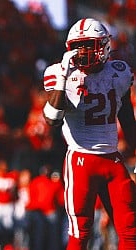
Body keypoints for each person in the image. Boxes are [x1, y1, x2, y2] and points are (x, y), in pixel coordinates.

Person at [42, 18, 136, 249]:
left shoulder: (119, 72)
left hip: (112, 159)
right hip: (81, 161)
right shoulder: (60, 73)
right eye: (78, 45)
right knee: (81, 233)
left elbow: (128, 120)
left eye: (88, 44)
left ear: (104, 46)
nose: (82, 51)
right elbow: (52, 119)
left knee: (130, 229)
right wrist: (63, 78)